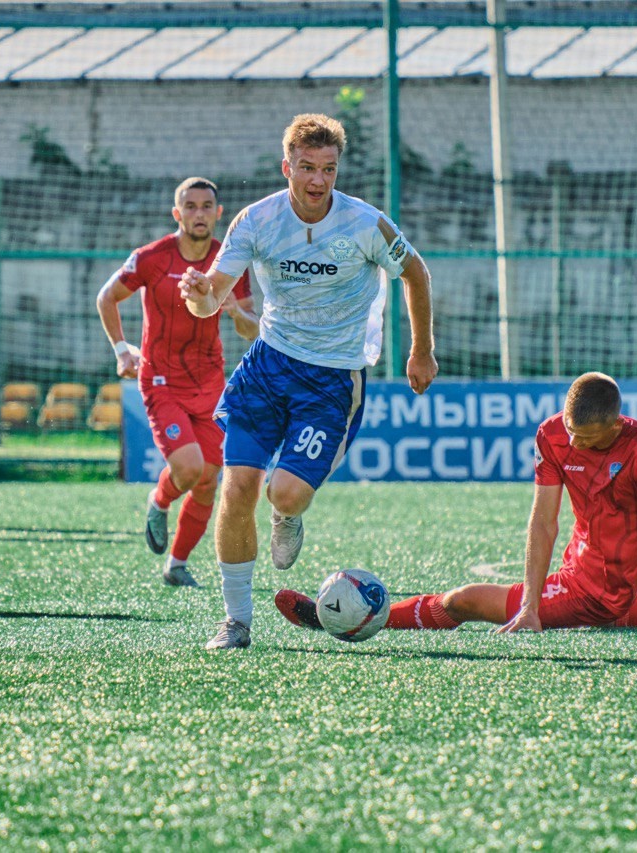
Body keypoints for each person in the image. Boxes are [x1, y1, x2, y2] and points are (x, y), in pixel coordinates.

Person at [180, 113, 438, 650]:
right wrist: (199, 294)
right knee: (237, 487)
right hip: (268, 366)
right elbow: (209, 300)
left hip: (333, 378)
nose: (318, 179)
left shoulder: (366, 223)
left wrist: (421, 351)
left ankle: (286, 514)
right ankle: (236, 620)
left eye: (328, 168)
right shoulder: (256, 220)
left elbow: (416, 273)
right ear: (287, 167)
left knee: (287, 493)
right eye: (306, 167)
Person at [276, 372, 637, 636]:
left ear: (616, 426)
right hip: (584, 570)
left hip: (598, 586)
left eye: (586, 439)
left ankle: (360, 620)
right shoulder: (552, 436)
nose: (574, 444)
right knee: (616, 612)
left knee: (464, 600)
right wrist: (532, 607)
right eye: (571, 432)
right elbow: (543, 523)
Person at [97, 177, 256, 587]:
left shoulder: (230, 261)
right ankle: (160, 499)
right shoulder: (152, 258)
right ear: (177, 213)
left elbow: (252, 330)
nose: (199, 213)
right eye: (190, 206)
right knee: (188, 469)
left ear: (218, 213)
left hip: (210, 383)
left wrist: (238, 314)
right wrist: (122, 350)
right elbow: (106, 297)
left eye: (206, 207)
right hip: (161, 379)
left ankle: (177, 564)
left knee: (207, 482)